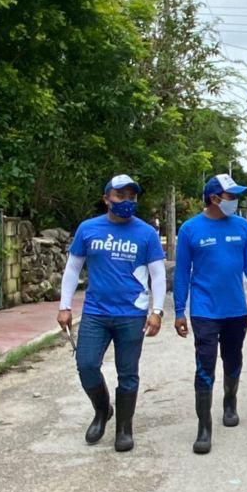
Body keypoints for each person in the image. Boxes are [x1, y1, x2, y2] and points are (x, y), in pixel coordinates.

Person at [57, 174, 167, 452]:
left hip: (132, 314)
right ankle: (102, 409)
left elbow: (157, 273)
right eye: (120, 195)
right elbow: (73, 268)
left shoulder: (146, 233)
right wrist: (65, 305)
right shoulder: (88, 229)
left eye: (132, 196)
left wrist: (156, 311)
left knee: (127, 373)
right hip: (96, 312)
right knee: (86, 365)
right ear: (107, 198)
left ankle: (124, 429)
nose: (127, 201)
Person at [174, 174, 247, 454]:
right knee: (204, 365)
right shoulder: (191, 229)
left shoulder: (242, 227)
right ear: (215, 198)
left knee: (232, 360)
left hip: (235, 311)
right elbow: (181, 272)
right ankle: (204, 427)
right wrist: (180, 310)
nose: (235, 201)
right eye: (231, 196)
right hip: (204, 311)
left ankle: (230, 400)